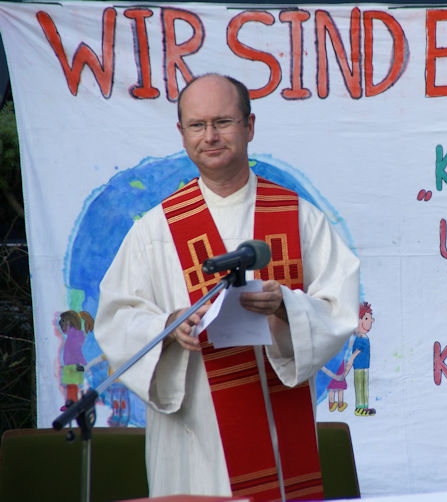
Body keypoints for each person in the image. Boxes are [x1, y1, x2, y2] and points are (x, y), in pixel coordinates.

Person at [95, 73, 360, 499]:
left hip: (276, 429)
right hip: (193, 435)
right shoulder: (155, 230)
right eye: (197, 125)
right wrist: (169, 325)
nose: (210, 136)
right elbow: (116, 319)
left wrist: (284, 308)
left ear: (249, 127)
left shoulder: (298, 219)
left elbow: (338, 310)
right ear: (181, 134)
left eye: (223, 122)